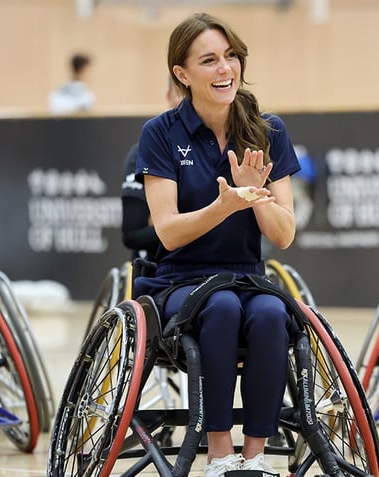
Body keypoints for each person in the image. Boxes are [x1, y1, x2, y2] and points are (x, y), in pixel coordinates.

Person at [134, 12, 300, 477]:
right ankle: (219, 452)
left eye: (231, 57)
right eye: (209, 60)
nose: (225, 68)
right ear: (182, 74)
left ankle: (255, 457)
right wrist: (225, 205)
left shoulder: (269, 130)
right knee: (222, 307)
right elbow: (167, 231)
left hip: (247, 274)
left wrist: (256, 195)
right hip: (180, 280)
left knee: (270, 313)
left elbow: (284, 234)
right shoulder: (161, 133)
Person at [121, 77, 185, 261]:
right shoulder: (143, 152)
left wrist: (169, 220)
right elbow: (133, 234)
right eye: (181, 93)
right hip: (160, 265)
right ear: (169, 97)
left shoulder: (224, 149)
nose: (188, 101)